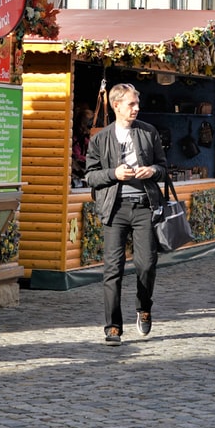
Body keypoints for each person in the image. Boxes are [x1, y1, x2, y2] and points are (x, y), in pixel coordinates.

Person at [84, 83, 167, 346]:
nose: (136, 108)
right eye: (132, 104)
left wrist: (152, 170)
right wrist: (114, 174)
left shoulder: (148, 132)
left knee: (146, 264)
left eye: (137, 104)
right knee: (113, 270)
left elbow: (164, 167)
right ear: (116, 105)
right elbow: (90, 176)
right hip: (115, 209)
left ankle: (144, 307)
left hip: (144, 206)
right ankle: (113, 327)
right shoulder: (100, 138)